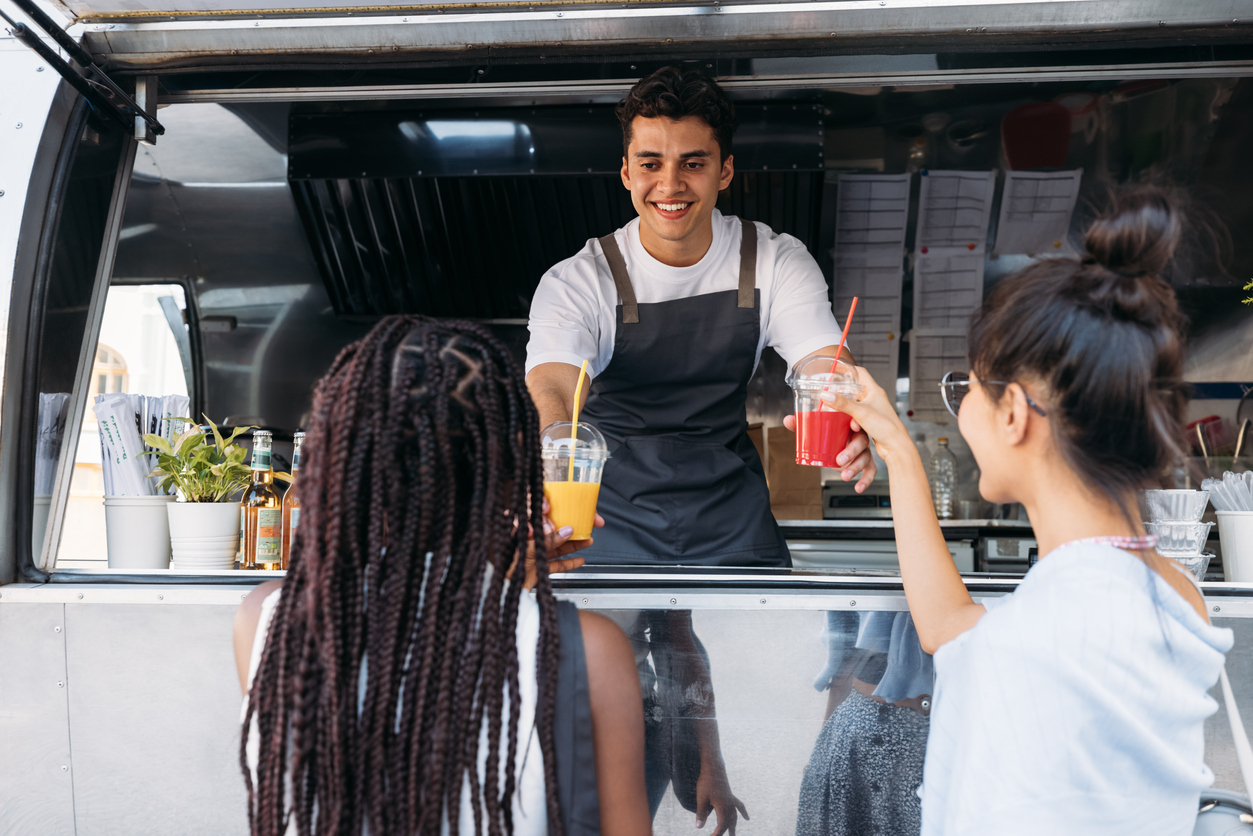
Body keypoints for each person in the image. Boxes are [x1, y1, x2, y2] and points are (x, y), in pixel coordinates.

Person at [812, 187, 1234, 834]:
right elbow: (953, 632)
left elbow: (990, 655)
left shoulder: (1023, 653)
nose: (962, 411)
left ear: (1012, 413)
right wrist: (897, 447)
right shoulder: (1172, 593)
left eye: (966, 388)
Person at [232, 317, 651, 836]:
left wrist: (501, 582)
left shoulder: (264, 618)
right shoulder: (589, 651)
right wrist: (505, 587)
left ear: (341, 465)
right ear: (515, 470)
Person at [525, 65, 876, 569]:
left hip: (732, 524)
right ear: (626, 172)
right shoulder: (580, 280)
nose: (670, 185)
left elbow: (822, 360)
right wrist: (554, 457)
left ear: (725, 171)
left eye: (693, 163)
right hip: (606, 529)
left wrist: (847, 409)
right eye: (651, 164)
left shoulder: (774, 260)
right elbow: (554, 385)